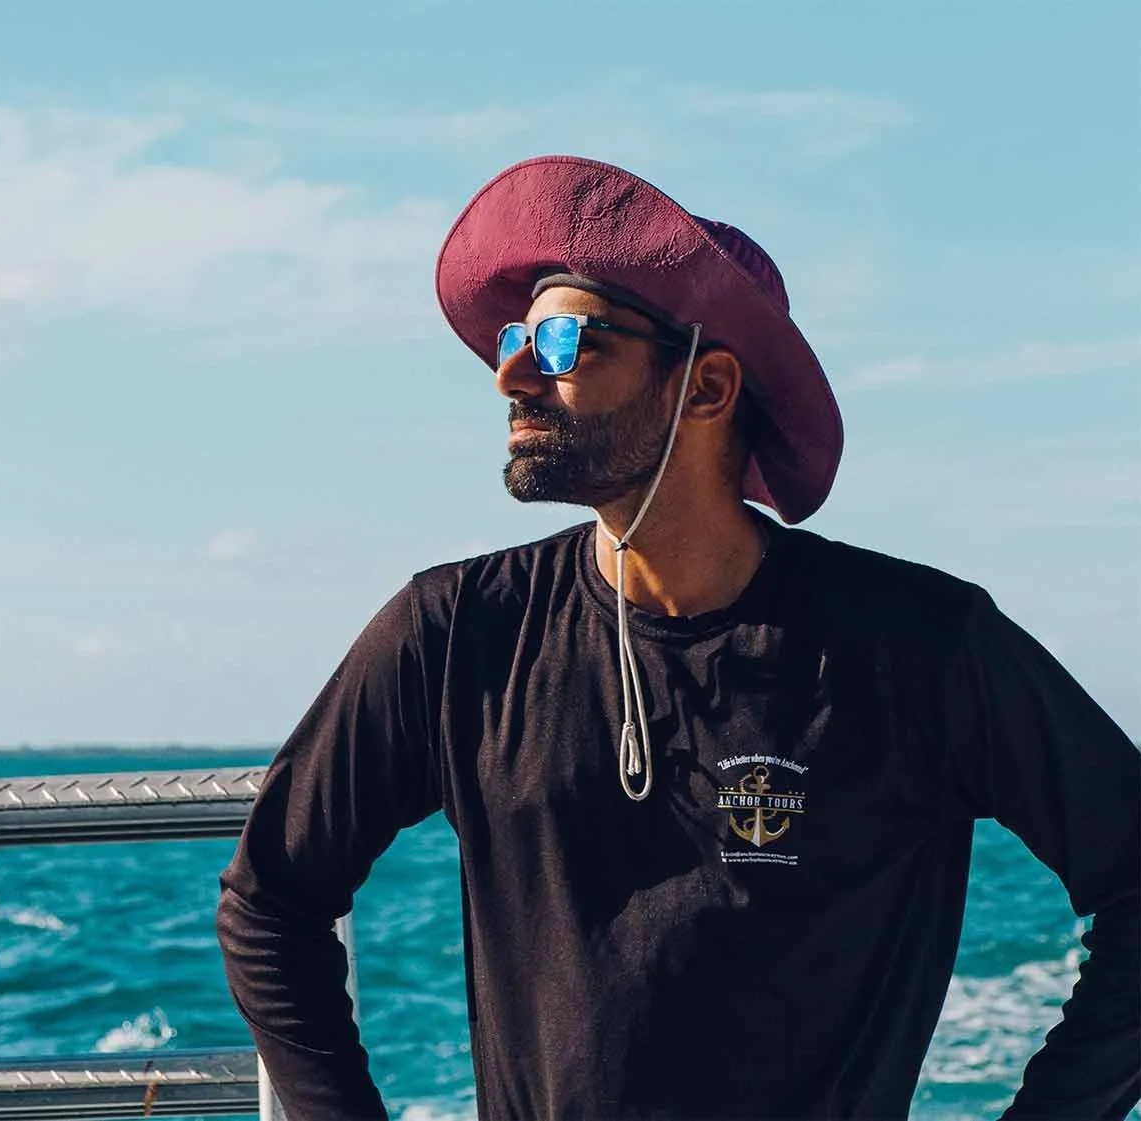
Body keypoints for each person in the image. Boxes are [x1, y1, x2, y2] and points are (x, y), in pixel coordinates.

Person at [215, 156, 1140, 1119]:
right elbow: (269, 899)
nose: (512, 372)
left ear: (706, 387)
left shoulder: (918, 646)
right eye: (514, 337)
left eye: (566, 340)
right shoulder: (456, 633)